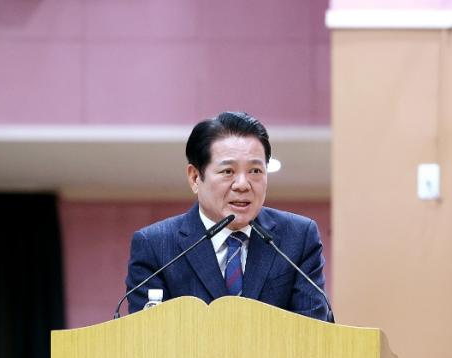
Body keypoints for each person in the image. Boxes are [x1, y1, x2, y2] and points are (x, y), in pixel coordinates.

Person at [125, 111, 333, 321]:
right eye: (228, 172)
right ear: (195, 177)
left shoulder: (297, 237)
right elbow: (148, 336)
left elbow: (312, 330)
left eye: (255, 171)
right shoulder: (156, 246)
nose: (242, 185)